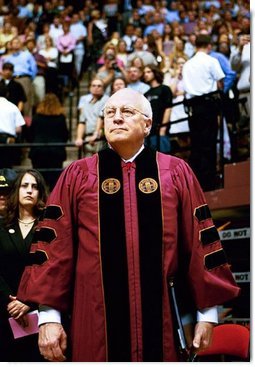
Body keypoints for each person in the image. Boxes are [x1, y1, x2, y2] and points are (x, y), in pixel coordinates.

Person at [17, 88, 239, 362]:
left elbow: (200, 244)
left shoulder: (176, 172)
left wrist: (207, 315)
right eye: (110, 112)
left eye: (127, 112)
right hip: (94, 323)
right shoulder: (78, 174)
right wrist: (49, 318)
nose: (117, 118)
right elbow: (54, 248)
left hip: (164, 322)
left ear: (148, 124)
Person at [0, 169, 47, 361]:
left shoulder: (48, 226)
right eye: (24, 186)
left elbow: (52, 269)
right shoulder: (2, 225)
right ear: (16, 191)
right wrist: (9, 300)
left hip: (39, 311)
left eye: (35, 187)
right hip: (5, 309)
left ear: (40, 193)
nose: (29, 191)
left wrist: (28, 301)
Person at [182, 34, 225, 192]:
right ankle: (209, 182)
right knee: (209, 143)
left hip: (193, 107)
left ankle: (196, 183)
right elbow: (220, 81)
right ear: (209, 46)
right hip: (208, 104)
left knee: (196, 144)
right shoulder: (211, 60)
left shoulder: (187, 64)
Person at [27, 93, 69, 191]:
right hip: (56, 151)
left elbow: (30, 135)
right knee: (55, 181)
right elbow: (65, 135)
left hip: (38, 151)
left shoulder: (37, 117)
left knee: (38, 179)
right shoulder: (61, 118)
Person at [144, 64, 173, 153]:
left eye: (148, 72)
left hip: (160, 130)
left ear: (155, 73)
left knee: (164, 160)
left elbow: (168, 109)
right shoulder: (146, 94)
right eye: (144, 72)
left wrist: (163, 129)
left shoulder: (165, 89)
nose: (146, 74)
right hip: (149, 132)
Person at [0, 84, 26, 168]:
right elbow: (19, 129)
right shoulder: (13, 107)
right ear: (7, 94)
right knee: (6, 169)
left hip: (8, 140)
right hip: (8, 141)